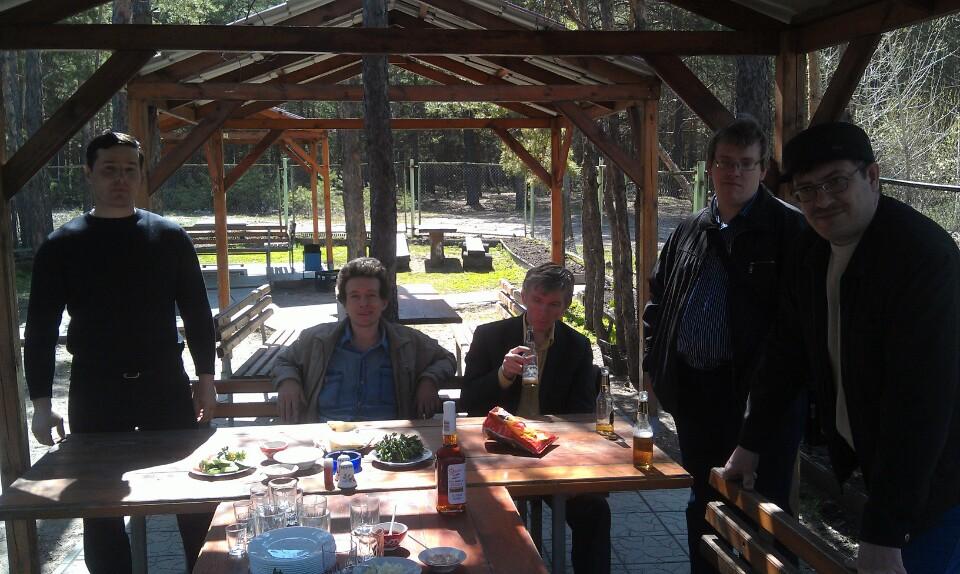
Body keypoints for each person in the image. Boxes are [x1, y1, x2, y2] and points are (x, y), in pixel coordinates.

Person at [723, 122, 960, 574]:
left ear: (872, 176)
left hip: (944, 475)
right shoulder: (811, 251)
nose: (822, 200)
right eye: (807, 190)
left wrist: (884, 533)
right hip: (885, 466)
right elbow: (786, 355)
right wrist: (750, 444)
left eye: (835, 182)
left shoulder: (923, 258)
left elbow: (920, 403)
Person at [23, 130, 218, 574]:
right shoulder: (62, 245)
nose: (121, 179)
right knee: (100, 509)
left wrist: (206, 380)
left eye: (130, 170)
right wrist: (40, 404)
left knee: (193, 498)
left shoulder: (168, 237)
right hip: (96, 390)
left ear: (141, 176)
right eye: (110, 169)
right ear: (89, 173)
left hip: (164, 386)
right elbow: (41, 329)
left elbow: (196, 313)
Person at [641, 116, 807, 573]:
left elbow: (796, 335)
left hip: (758, 402)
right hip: (696, 396)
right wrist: (654, 363)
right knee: (703, 500)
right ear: (710, 166)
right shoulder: (690, 228)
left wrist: (764, 413)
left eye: (746, 163)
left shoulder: (790, 232)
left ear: (763, 169)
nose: (735, 172)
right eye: (725, 162)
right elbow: (658, 300)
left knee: (765, 514)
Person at [462, 263, 608, 574]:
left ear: (565, 307)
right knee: (489, 514)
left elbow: (582, 412)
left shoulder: (576, 346)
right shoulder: (490, 336)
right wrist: (503, 375)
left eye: (553, 304)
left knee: (595, 510)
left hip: (552, 453)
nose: (543, 311)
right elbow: (469, 401)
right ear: (524, 296)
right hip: (499, 451)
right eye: (538, 300)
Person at [272, 256, 455, 423]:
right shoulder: (316, 340)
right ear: (344, 302)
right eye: (355, 296)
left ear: (384, 302)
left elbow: (446, 358)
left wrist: (429, 380)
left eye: (371, 295)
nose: (363, 304)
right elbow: (283, 361)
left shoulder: (407, 342)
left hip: (388, 439)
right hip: (328, 437)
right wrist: (288, 381)